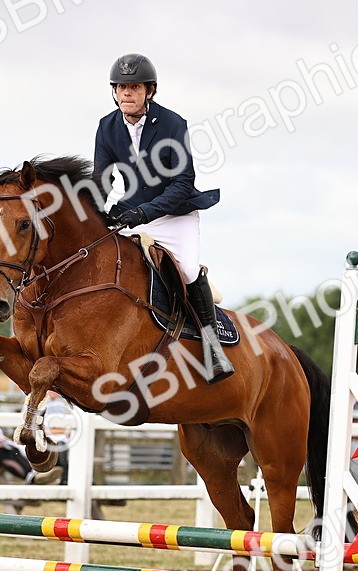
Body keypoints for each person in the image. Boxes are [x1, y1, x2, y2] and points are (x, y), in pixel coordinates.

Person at [94, 52, 234, 384]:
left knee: (186, 270)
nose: (127, 93)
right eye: (121, 88)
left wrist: (145, 212)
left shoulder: (173, 124)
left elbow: (182, 183)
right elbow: (102, 179)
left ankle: (213, 348)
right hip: (132, 213)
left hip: (174, 215)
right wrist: (96, 212)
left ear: (149, 91)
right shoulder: (107, 126)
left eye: (134, 87)